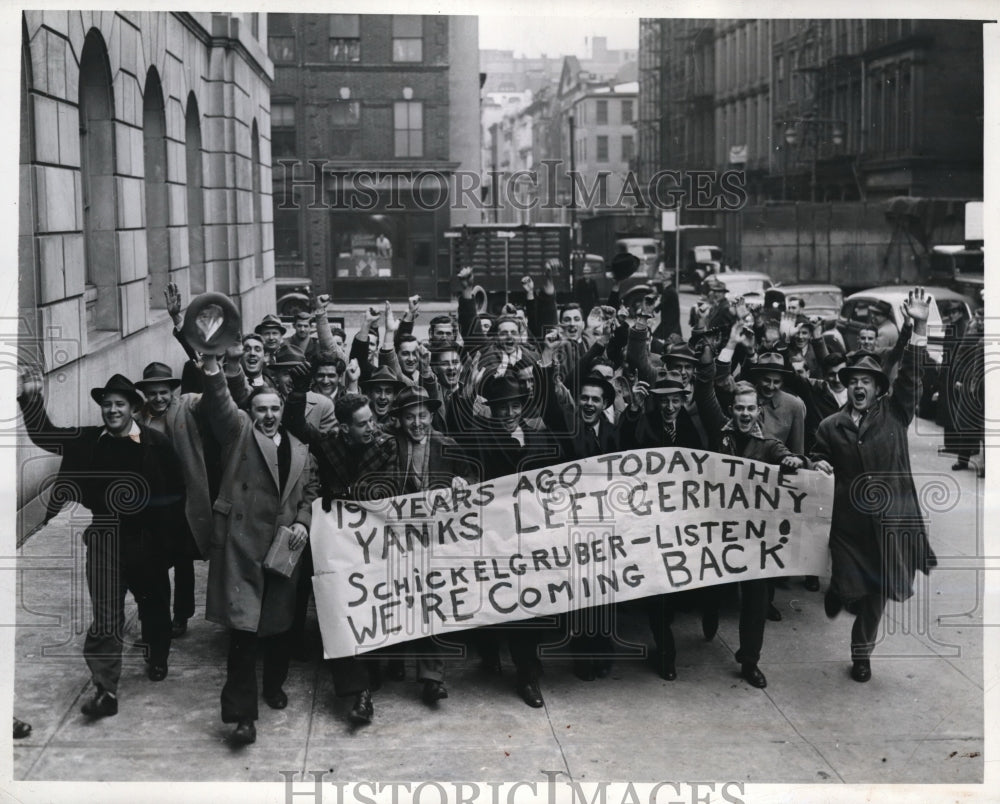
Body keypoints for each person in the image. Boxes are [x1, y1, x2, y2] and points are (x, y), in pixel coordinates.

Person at [17, 371, 185, 718]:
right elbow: (47, 435)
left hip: (148, 539)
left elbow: (176, 495)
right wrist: (31, 399)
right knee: (106, 615)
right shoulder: (90, 439)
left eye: (119, 404)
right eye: (107, 404)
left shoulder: (157, 444)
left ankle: (157, 654)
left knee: (154, 605)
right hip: (105, 537)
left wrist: (168, 545)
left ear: (133, 408)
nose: (112, 410)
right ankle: (105, 689)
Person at [811, 287, 938, 683]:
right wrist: (817, 464)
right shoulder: (830, 426)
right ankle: (840, 591)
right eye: (854, 381)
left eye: (867, 380)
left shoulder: (895, 413)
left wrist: (918, 328)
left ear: (879, 387)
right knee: (852, 588)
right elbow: (818, 457)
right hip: (848, 526)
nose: (859, 387)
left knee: (876, 595)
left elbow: (912, 377)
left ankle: (861, 655)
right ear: (847, 387)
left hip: (888, 525)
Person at [199, 354, 318, 745]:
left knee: (279, 627)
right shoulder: (238, 435)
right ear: (250, 412)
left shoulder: (300, 448)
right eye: (261, 409)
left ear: (283, 411)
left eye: (274, 409)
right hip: (242, 546)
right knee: (244, 633)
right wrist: (217, 367)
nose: (268, 416)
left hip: (284, 547)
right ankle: (242, 717)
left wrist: (302, 522)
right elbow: (221, 401)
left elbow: (311, 491)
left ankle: (274, 685)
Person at [284, 392, 399, 726]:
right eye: (363, 424)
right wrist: (298, 392)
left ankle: (369, 674)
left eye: (372, 421)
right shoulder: (328, 443)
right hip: (335, 543)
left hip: (372, 541)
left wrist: (346, 495)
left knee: (370, 607)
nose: (371, 428)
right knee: (339, 610)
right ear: (345, 428)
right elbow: (295, 424)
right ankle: (358, 693)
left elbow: (388, 489)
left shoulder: (386, 445)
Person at [693, 363, 809, 690]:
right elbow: (704, 391)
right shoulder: (719, 433)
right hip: (719, 530)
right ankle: (710, 611)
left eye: (750, 409)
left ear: (759, 411)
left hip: (755, 536)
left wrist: (796, 461)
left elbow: (790, 457)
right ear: (732, 409)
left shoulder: (769, 445)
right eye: (739, 408)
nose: (745, 414)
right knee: (713, 586)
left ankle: (750, 660)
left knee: (756, 600)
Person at [135, 361, 217, 638]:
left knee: (183, 561)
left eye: (163, 392)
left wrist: (208, 371)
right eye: (152, 393)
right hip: (153, 501)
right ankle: (155, 616)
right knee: (153, 562)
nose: (158, 398)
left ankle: (181, 615)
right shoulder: (139, 419)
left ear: (172, 391)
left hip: (183, 498)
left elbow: (209, 400)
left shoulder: (187, 405)